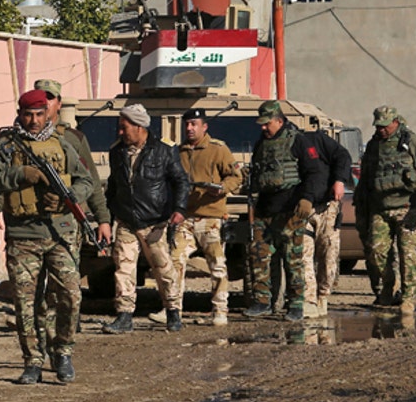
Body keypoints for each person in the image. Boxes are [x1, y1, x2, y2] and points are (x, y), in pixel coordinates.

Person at [0, 91, 93, 383]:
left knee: (70, 294)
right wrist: (19, 175)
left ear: (48, 113)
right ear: (19, 113)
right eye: (28, 114)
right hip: (22, 234)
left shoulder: (64, 145)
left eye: (39, 114)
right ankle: (32, 360)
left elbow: (85, 181)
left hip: (60, 232)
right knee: (25, 301)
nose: (34, 120)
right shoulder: (4, 147)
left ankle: (63, 352)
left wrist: (71, 200)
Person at [27, 79, 112, 359]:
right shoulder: (19, 138)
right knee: (35, 294)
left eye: (51, 99)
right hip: (28, 229)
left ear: (58, 104)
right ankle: (43, 343)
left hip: (65, 225)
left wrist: (103, 218)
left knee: (65, 287)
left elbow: (91, 182)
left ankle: (61, 341)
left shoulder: (73, 139)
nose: (46, 103)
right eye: (42, 99)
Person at [102, 104, 189, 333]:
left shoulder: (164, 150)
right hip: (126, 220)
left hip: (155, 222)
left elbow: (181, 181)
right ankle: (124, 316)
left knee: (163, 269)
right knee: (123, 269)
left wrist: (179, 209)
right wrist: (107, 219)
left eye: (124, 127)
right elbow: (113, 187)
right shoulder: (117, 152)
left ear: (139, 126)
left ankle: (173, 312)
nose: (120, 132)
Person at [244, 100, 330, 321]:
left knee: (292, 260)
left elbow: (316, 173)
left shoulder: (298, 141)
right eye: (261, 124)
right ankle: (263, 301)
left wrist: (307, 198)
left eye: (267, 124)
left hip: (290, 211)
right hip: (265, 210)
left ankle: (296, 305)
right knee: (260, 257)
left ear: (279, 120)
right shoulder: (261, 144)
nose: (263, 128)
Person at [167, 107, 243, 326]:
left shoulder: (218, 149)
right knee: (175, 261)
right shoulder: (179, 152)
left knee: (217, 264)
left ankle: (220, 310)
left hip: (211, 217)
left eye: (194, 124)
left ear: (204, 126)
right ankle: (173, 309)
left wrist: (221, 188)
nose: (190, 128)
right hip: (186, 217)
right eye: (187, 124)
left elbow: (236, 176)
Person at [358, 105, 416, 314]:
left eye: (385, 126)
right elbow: (365, 176)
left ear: (395, 122)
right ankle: (388, 289)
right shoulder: (374, 144)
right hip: (379, 207)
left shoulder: (411, 141)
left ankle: (408, 297)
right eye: (379, 126)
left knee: (407, 254)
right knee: (377, 251)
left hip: (406, 206)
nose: (382, 129)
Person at [300, 124, 351, 319]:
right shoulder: (279, 147)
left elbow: (343, 157)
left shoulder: (316, 140)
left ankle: (323, 296)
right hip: (302, 208)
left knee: (328, 256)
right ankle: (309, 300)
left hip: (327, 208)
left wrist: (339, 180)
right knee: (304, 256)